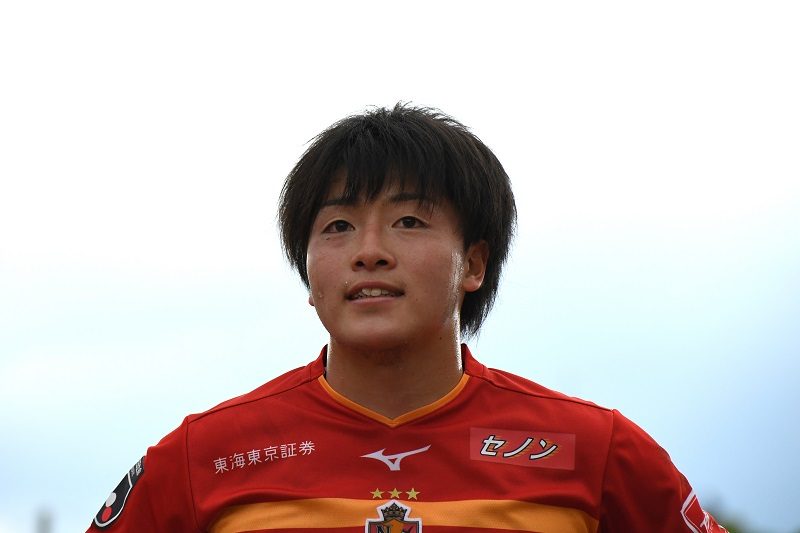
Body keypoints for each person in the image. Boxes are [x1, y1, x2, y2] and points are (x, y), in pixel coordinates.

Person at [87, 104, 726, 532]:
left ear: (474, 264)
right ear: (308, 272)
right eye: (338, 227)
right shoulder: (203, 456)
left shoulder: (598, 451)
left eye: (409, 221)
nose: (369, 251)